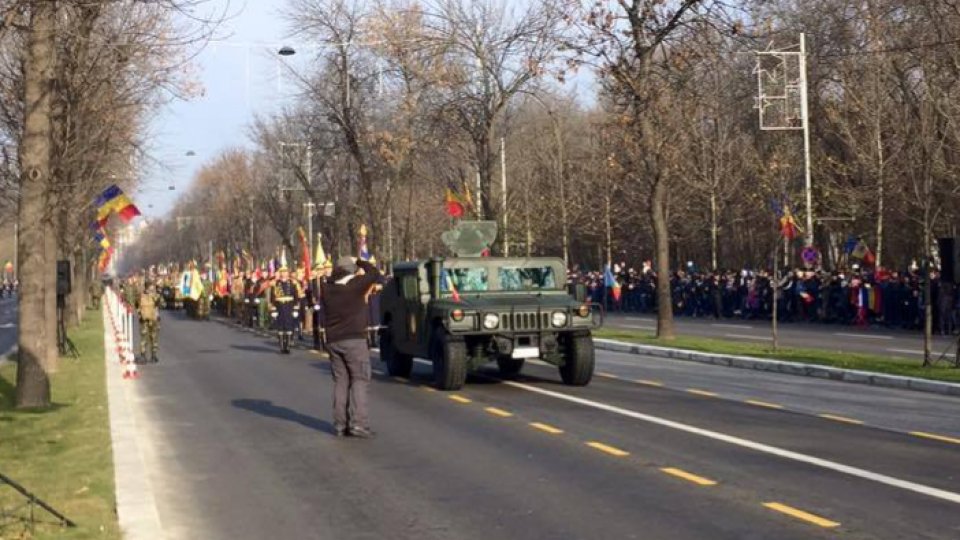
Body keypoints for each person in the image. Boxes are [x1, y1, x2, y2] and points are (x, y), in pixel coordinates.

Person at [321, 257, 381, 438]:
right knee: (359, 379)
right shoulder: (355, 285)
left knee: (341, 381)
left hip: (333, 340)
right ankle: (358, 424)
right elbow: (374, 273)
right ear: (352, 271)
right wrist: (360, 260)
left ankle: (340, 424)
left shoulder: (327, 288)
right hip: (354, 339)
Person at [270, 265, 303, 353]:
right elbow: (272, 297)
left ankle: (287, 347)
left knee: (289, 325)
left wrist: (296, 307)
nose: (284, 274)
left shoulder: (293, 283)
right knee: (280, 326)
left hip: (289, 306)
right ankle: (281, 347)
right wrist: (273, 308)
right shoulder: (276, 284)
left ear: (288, 273)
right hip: (279, 307)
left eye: (285, 272)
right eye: (282, 272)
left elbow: (296, 296)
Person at [137, 282, 162, 363]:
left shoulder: (141, 295)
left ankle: (143, 356)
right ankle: (153, 356)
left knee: (144, 339)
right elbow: (162, 303)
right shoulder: (155, 295)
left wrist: (140, 314)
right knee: (154, 338)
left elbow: (137, 305)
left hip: (144, 320)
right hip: (153, 319)